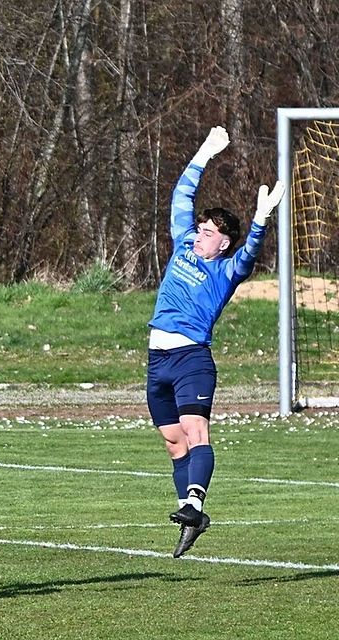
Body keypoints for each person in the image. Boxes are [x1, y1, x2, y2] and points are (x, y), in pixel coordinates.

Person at [147, 126, 285, 557]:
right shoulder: (182, 246)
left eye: (208, 232)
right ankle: (192, 516)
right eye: (201, 227)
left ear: (222, 243)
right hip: (157, 360)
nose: (199, 232)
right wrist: (203, 153)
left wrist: (261, 221)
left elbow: (250, 255)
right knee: (173, 442)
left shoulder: (225, 271)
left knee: (195, 430)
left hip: (192, 360)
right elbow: (179, 199)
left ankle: (193, 503)